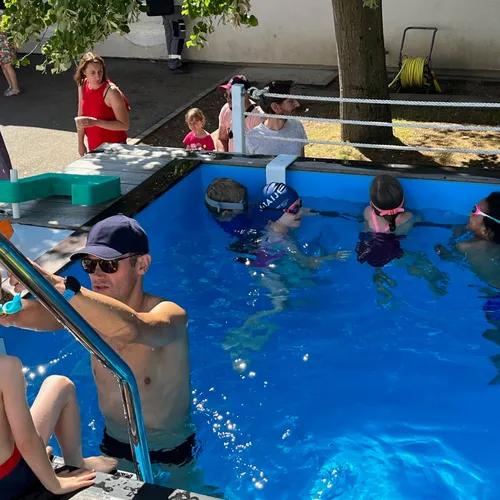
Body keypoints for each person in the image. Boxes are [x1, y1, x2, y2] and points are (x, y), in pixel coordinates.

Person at [0, 214, 201, 491]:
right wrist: (6, 304)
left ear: (142, 264)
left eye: (108, 265)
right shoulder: (84, 311)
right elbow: (22, 316)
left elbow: (132, 328)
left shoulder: (170, 314)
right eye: (89, 264)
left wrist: (59, 286)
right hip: (113, 448)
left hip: (172, 456)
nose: (97, 275)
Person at [0, 354, 117, 499]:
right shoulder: (5, 367)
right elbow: (27, 441)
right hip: (9, 482)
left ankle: (41, 456)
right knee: (61, 385)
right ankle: (75, 463)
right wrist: (55, 483)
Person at [74, 53, 130, 156]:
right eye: (93, 73)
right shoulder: (82, 84)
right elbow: (81, 115)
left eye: (100, 71)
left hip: (115, 148)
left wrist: (96, 122)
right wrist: (80, 143)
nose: (97, 76)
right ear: (84, 72)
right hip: (94, 147)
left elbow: (125, 125)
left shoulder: (111, 91)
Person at [246, 81, 308, 156]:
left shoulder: (297, 126)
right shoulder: (252, 139)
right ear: (276, 107)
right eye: (291, 101)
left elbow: (301, 161)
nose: (297, 104)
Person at [215, 75, 264, 152]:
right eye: (226, 95)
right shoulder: (226, 109)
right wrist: (222, 156)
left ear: (245, 95)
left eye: (231, 95)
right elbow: (221, 139)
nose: (228, 99)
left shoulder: (258, 116)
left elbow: (261, 149)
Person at [0, 25, 20, 97]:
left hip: (5, 44)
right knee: (3, 65)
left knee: (7, 65)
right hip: (1, 44)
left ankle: (15, 88)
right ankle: (11, 86)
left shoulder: (5, 18)